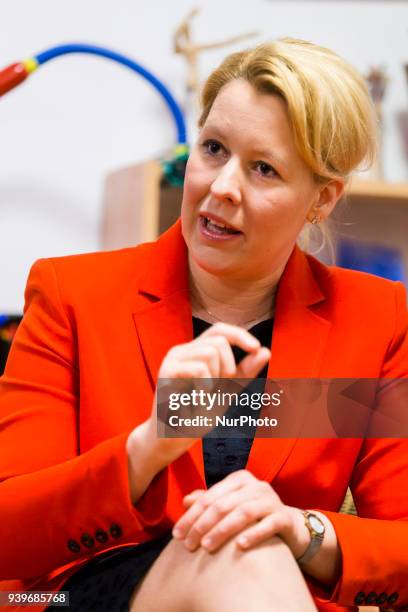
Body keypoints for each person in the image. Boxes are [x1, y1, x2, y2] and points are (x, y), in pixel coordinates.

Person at [0, 37, 407, 612]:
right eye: (213, 149)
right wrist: (146, 449)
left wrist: (302, 530)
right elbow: (7, 532)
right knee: (244, 550)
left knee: (254, 547)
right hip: (83, 593)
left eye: (263, 169)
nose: (221, 187)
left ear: (322, 198)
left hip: (275, 589)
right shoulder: (74, 295)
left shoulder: (374, 319)